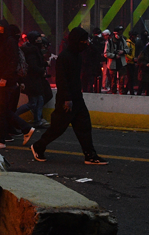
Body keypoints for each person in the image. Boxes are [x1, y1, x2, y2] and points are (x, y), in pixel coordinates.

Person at [30, 27, 108, 165]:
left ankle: (90, 154)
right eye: (83, 41)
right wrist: (67, 98)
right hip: (67, 100)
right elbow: (62, 80)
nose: (85, 43)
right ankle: (38, 146)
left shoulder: (77, 55)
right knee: (57, 129)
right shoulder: (65, 57)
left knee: (84, 126)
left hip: (76, 98)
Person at [0, 20, 35, 148]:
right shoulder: (3, 42)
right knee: (3, 110)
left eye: (1, 30)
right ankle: (23, 129)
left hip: (5, 81)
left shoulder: (9, 42)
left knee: (1, 111)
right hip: (4, 80)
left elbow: (12, 61)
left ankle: (1, 140)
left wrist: (5, 78)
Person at [16, 31, 49, 128]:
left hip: (34, 80)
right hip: (32, 80)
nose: (40, 39)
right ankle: (14, 116)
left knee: (40, 100)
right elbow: (32, 66)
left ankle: (38, 120)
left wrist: (45, 64)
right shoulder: (31, 51)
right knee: (33, 103)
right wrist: (41, 71)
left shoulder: (33, 49)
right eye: (38, 37)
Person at [104, 26, 128, 94]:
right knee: (113, 79)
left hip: (122, 63)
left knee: (122, 79)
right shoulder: (109, 42)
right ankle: (113, 91)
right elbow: (106, 54)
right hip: (112, 64)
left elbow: (127, 49)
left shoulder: (123, 40)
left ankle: (121, 91)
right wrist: (114, 56)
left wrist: (123, 51)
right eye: (119, 33)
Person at [81, 28, 104, 93]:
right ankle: (85, 90)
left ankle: (91, 90)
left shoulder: (93, 44)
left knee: (90, 79)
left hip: (90, 65)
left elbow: (96, 51)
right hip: (85, 65)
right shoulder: (83, 46)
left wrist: (90, 44)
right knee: (85, 79)